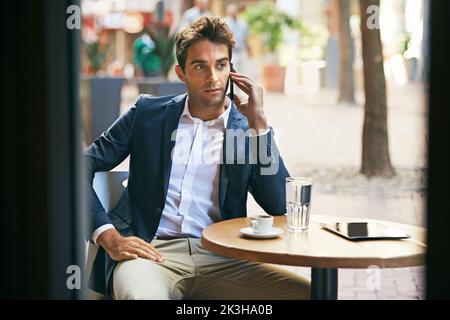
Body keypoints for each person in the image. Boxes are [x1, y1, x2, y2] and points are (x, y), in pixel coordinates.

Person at [85, 16, 310, 300]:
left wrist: (259, 123)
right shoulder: (147, 114)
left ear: (232, 69)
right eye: (200, 66)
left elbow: (278, 204)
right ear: (181, 73)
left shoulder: (247, 130)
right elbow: (80, 166)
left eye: (221, 65)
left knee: (311, 294)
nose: (213, 78)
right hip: (150, 253)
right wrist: (107, 235)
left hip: (224, 257)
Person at [224, 3, 249, 74]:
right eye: (231, 11)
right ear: (228, 12)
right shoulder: (225, 23)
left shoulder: (243, 23)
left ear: (237, 12)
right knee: (233, 72)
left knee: (242, 73)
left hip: (242, 52)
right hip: (232, 52)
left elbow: (246, 38)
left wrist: (248, 49)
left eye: (234, 11)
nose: (233, 13)